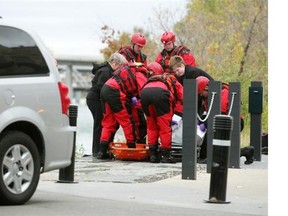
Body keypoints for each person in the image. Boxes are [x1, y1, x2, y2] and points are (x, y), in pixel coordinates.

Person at [196, 76, 254, 165]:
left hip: (233, 122)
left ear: (206, 88)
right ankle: (246, 151)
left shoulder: (223, 93)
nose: (200, 95)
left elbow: (220, 114)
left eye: (201, 92)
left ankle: (245, 151)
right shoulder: (209, 97)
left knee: (222, 153)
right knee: (220, 147)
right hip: (223, 122)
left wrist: (206, 123)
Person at [97, 62, 148, 159]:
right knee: (127, 121)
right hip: (115, 91)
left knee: (108, 123)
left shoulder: (129, 71)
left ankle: (102, 151)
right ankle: (132, 149)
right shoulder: (140, 75)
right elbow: (144, 93)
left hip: (105, 88)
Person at [140, 62, 183, 163]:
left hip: (145, 94)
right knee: (164, 127)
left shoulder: (149, 80)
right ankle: (166, 156)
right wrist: (178, 114)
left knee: (151, 126)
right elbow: (182, 95)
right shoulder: (171, 78)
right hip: (161, 94)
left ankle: (153, 155)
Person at [86, 53, 128, 157]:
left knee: (102, 124)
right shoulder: (105, 71)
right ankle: (97, 150)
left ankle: (102, 149)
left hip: (98, 99)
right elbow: (101, 88)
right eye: (119, 65)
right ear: (114, 62)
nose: (119, 69)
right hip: (95, 99)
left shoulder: (107, 70)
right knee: (99, 124)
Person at [119, 32, 148, 143]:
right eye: (138, 46)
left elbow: (144, 73)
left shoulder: (143, 57)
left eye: (141, 47)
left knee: (140, 120)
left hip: (137, 93)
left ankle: (140, 142)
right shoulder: (123, 54)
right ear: (133, 43)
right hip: (126, 91)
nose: (140, 48)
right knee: (127, 121)